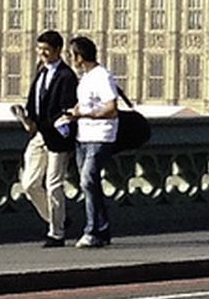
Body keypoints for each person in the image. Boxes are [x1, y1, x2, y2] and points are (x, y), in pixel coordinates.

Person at [64, 34, 132, 248]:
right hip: (83, 136)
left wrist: (85, 115)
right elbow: (86, 104)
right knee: (89, 184)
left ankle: (92, 231)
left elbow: (112, 109)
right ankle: (102, 230)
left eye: (72, 55)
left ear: (79, 56)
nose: (71, 59)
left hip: (101, 136)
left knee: (87, 180)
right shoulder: (85, 78)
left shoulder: (102, 76)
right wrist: (74, 112)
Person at [15, 29, 74, 246]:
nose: (42, 53)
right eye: (39, 49)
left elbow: (67, 109)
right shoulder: (40, 71)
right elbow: (34, 101)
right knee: (29, 183)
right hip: (40, 134)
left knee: (54, 184)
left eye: (46, 50)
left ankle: (56, 233)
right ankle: (57, 219)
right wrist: (26, 118)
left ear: (58, 51)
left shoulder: (67, 76)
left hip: (57, 137)